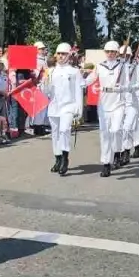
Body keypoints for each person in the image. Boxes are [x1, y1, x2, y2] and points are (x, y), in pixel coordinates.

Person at [85, 41, 126, 177]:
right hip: (103, 103)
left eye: (113, 52)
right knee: (105, 134)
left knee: (115, 130)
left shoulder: (123, 66)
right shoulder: (100, 66)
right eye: (107, 51)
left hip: (118, 102)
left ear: (117, 53)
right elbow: (91, 78)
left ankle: (117, 152)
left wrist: (124, 87)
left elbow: (129, 84)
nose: (110, 54)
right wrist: (80, 82)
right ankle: (106, 164)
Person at [43, 42, 83, 177]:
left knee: (64, 130)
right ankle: (57, 158)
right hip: (54, 106)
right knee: (55, 133)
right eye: (59, 54)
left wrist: (79, 110)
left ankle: (65, 157)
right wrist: (45, 82)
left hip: (69, 105)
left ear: (68, 55)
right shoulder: (51, 71)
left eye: (64, 54)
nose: (61, 56)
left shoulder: (74, 71)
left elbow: (78, 91)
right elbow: (46, 92)